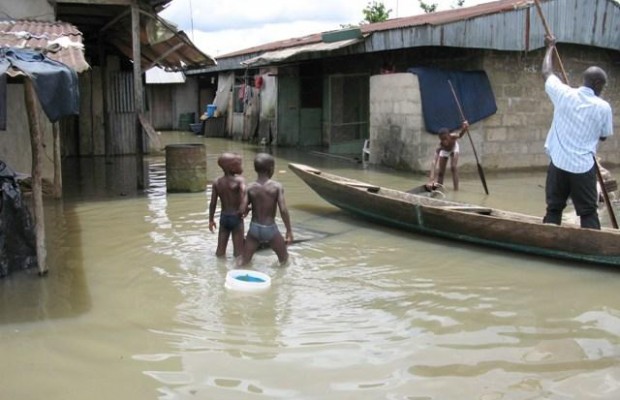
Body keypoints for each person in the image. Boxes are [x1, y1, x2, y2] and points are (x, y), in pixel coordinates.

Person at [541, 35, 613, 229]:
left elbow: (547, 72)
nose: (603, 90)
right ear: (598, 85)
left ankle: (549, 240)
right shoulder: (603, 107)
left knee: (554, 209)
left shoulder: (564, 94)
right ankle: (591, 248)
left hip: (558, 163)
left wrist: (550, 47)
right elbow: (604, 136)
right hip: (583, 167)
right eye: (603, 86)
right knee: (588, 212)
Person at [238, 153, 293, 266]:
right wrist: (289, 230)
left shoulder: (250, 187)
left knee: (244, 261)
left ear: (255, 169)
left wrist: (248, 209)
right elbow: (283, 210)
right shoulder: (277, 186)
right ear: (271, 169)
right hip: (270, 229)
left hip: (254, 228)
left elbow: (242, 209)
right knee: (284, 260)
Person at [208, 152, 245, 257]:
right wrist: (245, 208)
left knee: (220, 250)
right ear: (231, 168)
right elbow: (244, 195)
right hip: (236, 217)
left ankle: (220, 269)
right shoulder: (240, 181)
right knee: (238, 252)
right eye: (238, 164)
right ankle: (238, 269)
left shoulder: (217, 182)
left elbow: (213, 203)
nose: (241, 167)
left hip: (224, 217)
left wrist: (211, 220)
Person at [426, 120, 469, 191]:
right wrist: (431, 179)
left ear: (449, 136)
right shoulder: (440, 147)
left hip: (454, 148)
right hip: (445, 151)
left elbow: (460, 135)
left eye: (446, 139)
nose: (444, 141)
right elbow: (434, 162)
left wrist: (465, 128)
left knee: (453, 167)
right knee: (440, 172)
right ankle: (439, 189)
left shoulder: (453, 136)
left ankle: (456, 190)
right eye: (442, 140)